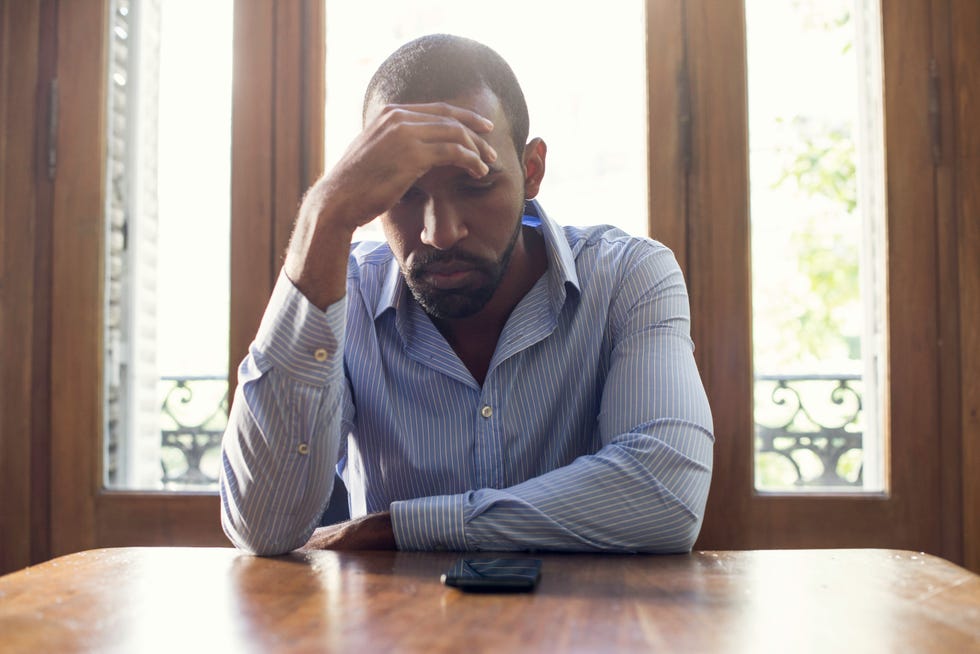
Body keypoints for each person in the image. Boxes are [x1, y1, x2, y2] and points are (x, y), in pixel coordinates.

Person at [220, 34, 713, 555]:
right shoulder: (346, 295)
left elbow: (665, 498)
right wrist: (323, 214)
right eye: (404, 194)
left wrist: (397, 528)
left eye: (476, 184)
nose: (440, 233)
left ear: (532, 170)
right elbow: (262, 525)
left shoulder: (627, 277)